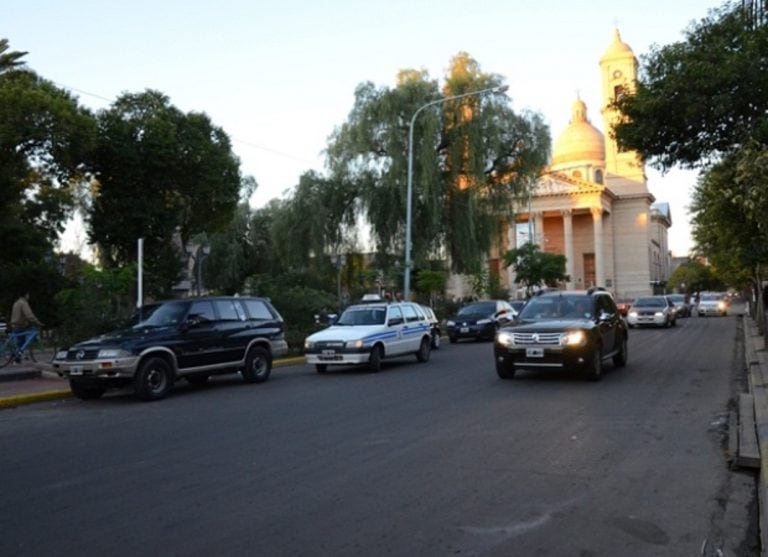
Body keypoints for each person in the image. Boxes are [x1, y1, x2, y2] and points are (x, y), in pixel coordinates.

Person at [10, 292, 42, 357]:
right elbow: (29, 314)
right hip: (20, 324)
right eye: (28, 294)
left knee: (20, 342)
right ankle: (17, 357)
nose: (29, 296)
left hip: (14, 323)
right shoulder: (23, 303)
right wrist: (36, 321)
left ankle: (17, 357)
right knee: (22, 342)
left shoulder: (16, 302)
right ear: (25, 295)